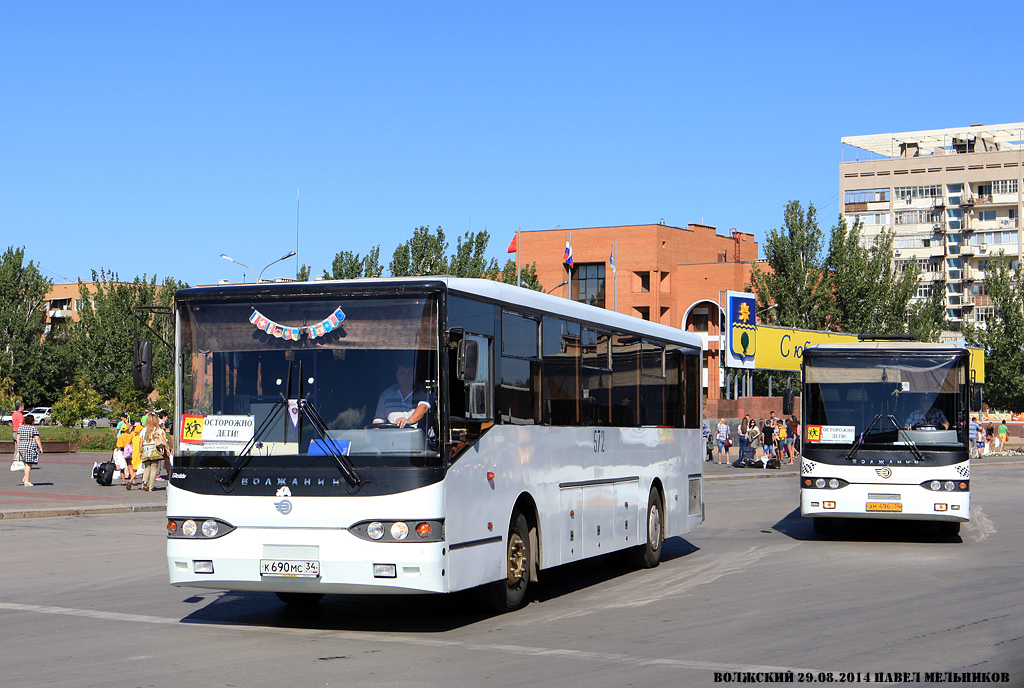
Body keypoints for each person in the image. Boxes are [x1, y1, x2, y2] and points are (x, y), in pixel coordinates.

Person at [373, 362, 432, 429]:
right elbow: (379, 420)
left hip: (418, 438)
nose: (406, 377)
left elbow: (424, 407)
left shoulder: (424, 391)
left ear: (415, 374)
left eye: (410, 373)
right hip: (392, 437)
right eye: (402, 373)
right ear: (396, 375)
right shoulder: (387, 394)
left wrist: (409, 421)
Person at [138, 414, 168, 492]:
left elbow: (141, 442)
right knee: (154, 468)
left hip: (146, 450)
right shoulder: (157, 429)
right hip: (154, 450)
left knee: (147, 467)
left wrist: (140, 451)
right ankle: (151, 487)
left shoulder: (144, 430)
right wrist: (167, 448)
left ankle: (144, 481)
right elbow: (163, 439)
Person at [16, 413, 43, 487]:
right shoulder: (33, 428)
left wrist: (19, 446)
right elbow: (37, 438)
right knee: (29, 464)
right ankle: (27, 480)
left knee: (26, 463)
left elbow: (18, 438)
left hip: (22, 446)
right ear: (32, 421)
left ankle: (25, 477)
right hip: (30, 447)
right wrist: (40, 447)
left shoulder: (21, 428)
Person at [115, 423, 136, 488]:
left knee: (122, 467)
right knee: (129, 466)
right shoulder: (130, 436)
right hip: (128, 452)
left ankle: (123, 481)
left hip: (122, 452)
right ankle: (133, 480)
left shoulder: (120, 437)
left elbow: (119, 445)